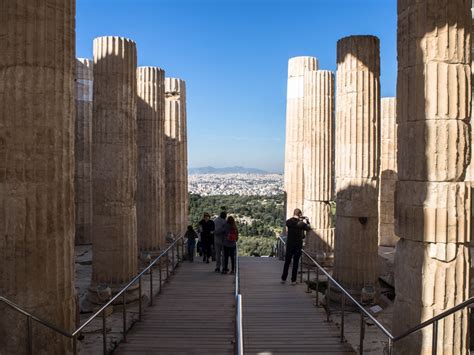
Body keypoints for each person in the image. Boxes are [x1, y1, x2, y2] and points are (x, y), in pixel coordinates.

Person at [281, 208, 310, 285]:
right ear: (300, 214)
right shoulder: (301, 224)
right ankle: (293, 280)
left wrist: (297, 218)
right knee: (295, 263)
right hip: (297, 245)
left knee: (287, 262)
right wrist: (307, 221)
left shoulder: (289, 222)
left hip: (290, 244)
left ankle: (283, 278)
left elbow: (289, 222)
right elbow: (308, 228)